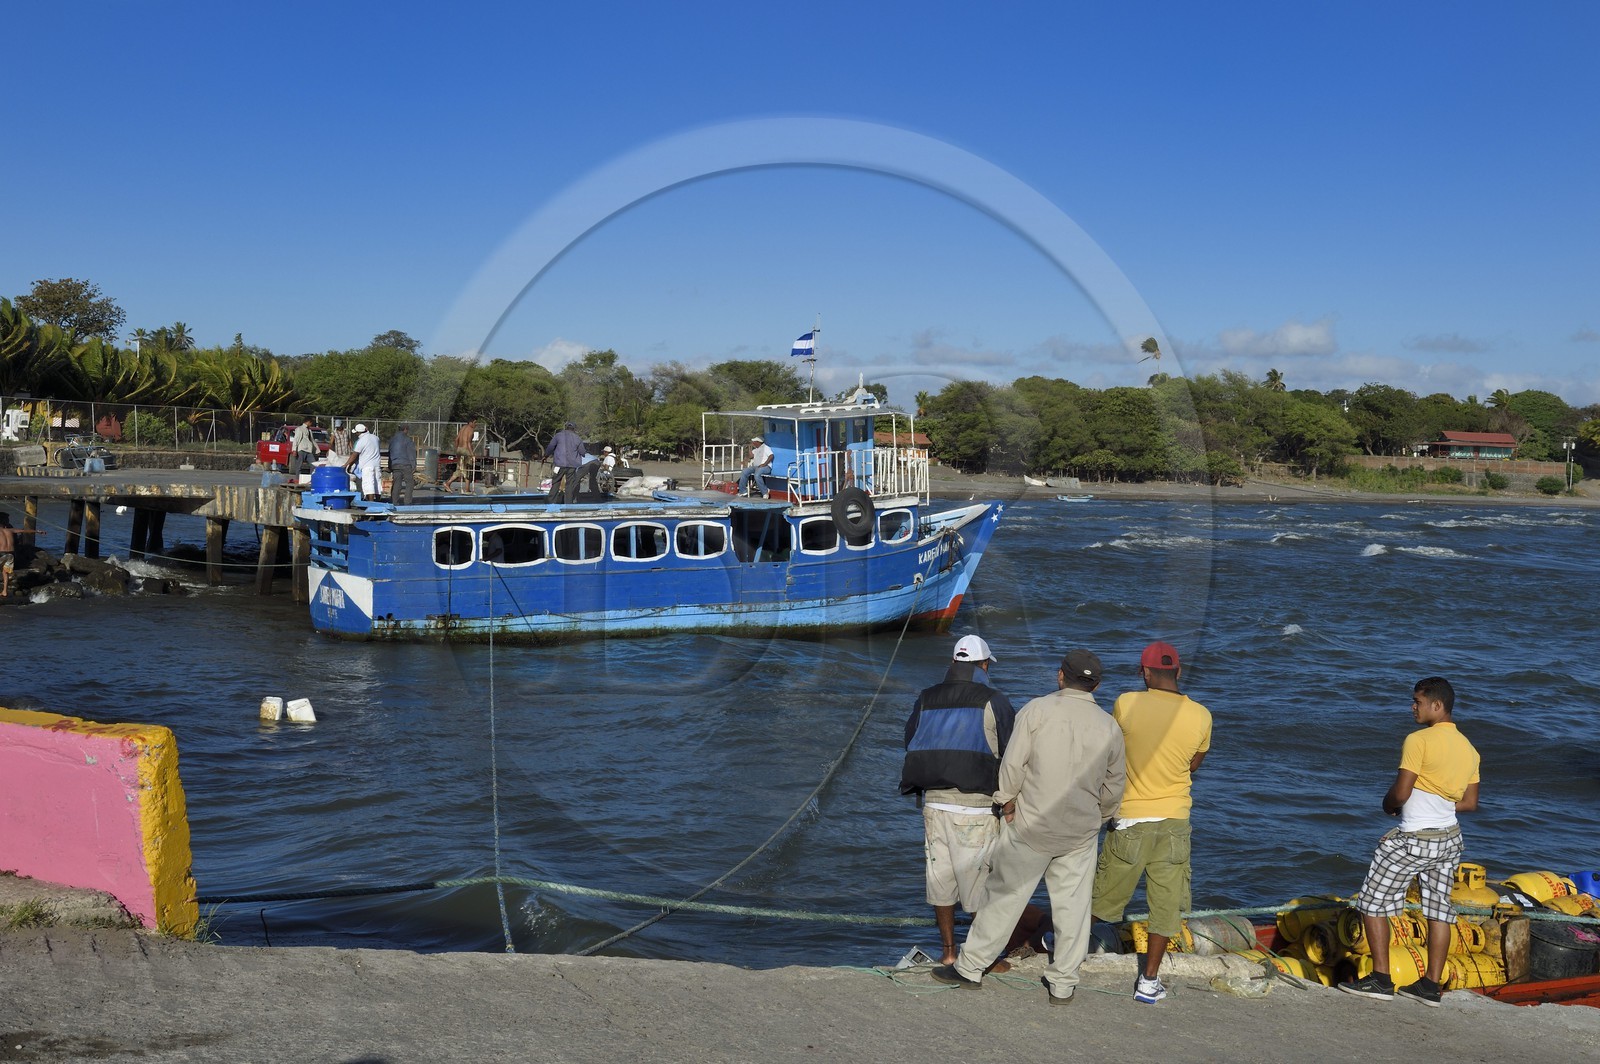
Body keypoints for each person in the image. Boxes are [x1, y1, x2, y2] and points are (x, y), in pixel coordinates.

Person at [933, 649, 1126, 1006]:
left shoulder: (1036, 710)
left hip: (1030, 825)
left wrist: (1006, 802)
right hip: (1079, 832)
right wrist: (1099, 818)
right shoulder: (1109, 726)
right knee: (1073, 910)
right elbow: (1114, 785)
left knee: (1003, 898)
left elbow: (1014, 763)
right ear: (1096, 685)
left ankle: (971, 968)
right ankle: (1063, 984)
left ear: (1060, 676)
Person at [1339, 677, 1480, 1007]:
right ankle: (1430, 987)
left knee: (1372, 904)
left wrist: (1389, 805)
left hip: (1413, 840)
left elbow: (1401, 792)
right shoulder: (1469, 749)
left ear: (1437, 705)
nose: (1412, 706)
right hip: (1448, 839)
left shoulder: (1419, 740)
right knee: (1439, 910)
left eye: (1417, 701)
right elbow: (1470, 803)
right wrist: (1437, 803)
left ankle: (1382, 979)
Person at [1089, 640, 1212, 1005]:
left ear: (1144, 672)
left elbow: (1111, 751)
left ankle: (1064, 948)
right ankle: (1149, 981)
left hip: (1129, 818)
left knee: (1102, 900)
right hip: (1174, 820)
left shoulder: (1126, 703)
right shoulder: (1201, 715)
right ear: (1179, 670)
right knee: (1165, 905)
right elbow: (1193, 765)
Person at [901, 635, 1018, 966]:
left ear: (953, 664)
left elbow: (909, 739)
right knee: (982, 884)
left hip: (934, 803)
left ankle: (949, 952)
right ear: (983, 666)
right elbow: (1012, 753)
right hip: (977, 806)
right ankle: (983, 957)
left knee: (941, 882)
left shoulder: (926, 697)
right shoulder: (994, 699)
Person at [545, 421, 585, 504]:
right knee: (569, 485)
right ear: (574, 429)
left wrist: (545, 456)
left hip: (559, 464)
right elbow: (582, 452)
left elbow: (550, 447)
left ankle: (551, 502)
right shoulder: (577, 438)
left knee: (556, 482)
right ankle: (568, 504)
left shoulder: (558, 436)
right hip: (572, 466)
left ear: (565, 427)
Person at [343, 423, 382, 500]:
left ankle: (371, 502)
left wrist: (347, 465)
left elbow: (354, 455)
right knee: (377, 483)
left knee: (368, 484)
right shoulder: (376, 438)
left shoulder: (361, 441)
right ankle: (378, 500)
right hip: (377, 464)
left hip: (367, 465)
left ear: (358, 432)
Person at [0, 511, 28, 598]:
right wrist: (38, 531)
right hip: (11, 554)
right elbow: (23, 531)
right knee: (5, 572)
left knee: (4, 572)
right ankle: (5, 591)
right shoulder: (10, 529)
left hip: (2, 553)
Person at [388, 425, 417, 505]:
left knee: (397, 483)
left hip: (395, 464)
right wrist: (414, 465)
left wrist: (389, 466)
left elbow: (389, 453)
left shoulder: (392, 440)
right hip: (406, 464)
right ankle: (407, 501)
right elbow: (411, 454)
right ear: (405, 429)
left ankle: (394, 501)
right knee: (410, 483)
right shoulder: (408, 440)